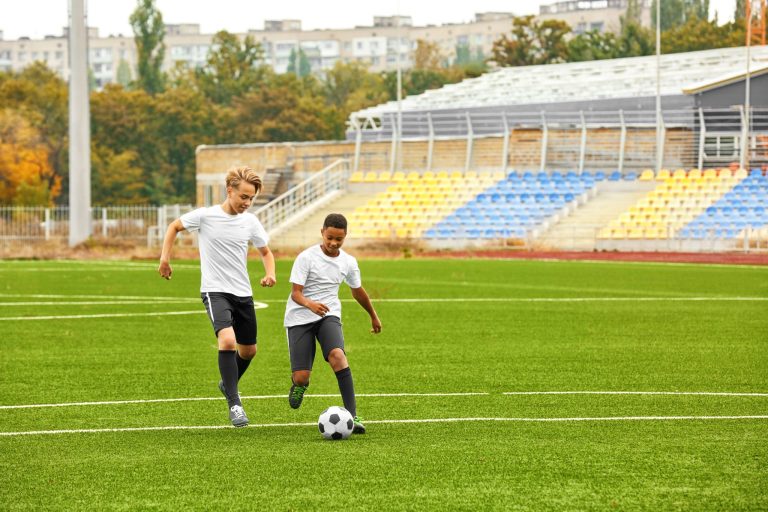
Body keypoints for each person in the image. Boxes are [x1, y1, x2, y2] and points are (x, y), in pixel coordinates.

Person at [158, 166, 276, 428]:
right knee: (227, 341)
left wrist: (270, 274)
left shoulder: (250, 222)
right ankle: (235, 404)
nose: (247, 202)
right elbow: (173, 227)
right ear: (229, 190)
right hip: (215, 290)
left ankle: (227, 384)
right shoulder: (206, 216)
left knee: (249, 351)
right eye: (243, 196)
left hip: (243, 293)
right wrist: (165, 259)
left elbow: (266, 252)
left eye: (251, 198)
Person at [284, 213, 381, 434]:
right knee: (302, 376)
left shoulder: (348, 261)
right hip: (300, 317)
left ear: (345, 237)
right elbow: (296, 294)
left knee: (338, 356)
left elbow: (358, 292)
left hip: (329, 316)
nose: (333, 243)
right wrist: (310, 304)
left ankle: (353, 415)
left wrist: (373, 315)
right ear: (322, 232)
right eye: (329, 238)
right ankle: (300, 385)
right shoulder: (306, 257)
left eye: (339, 239)